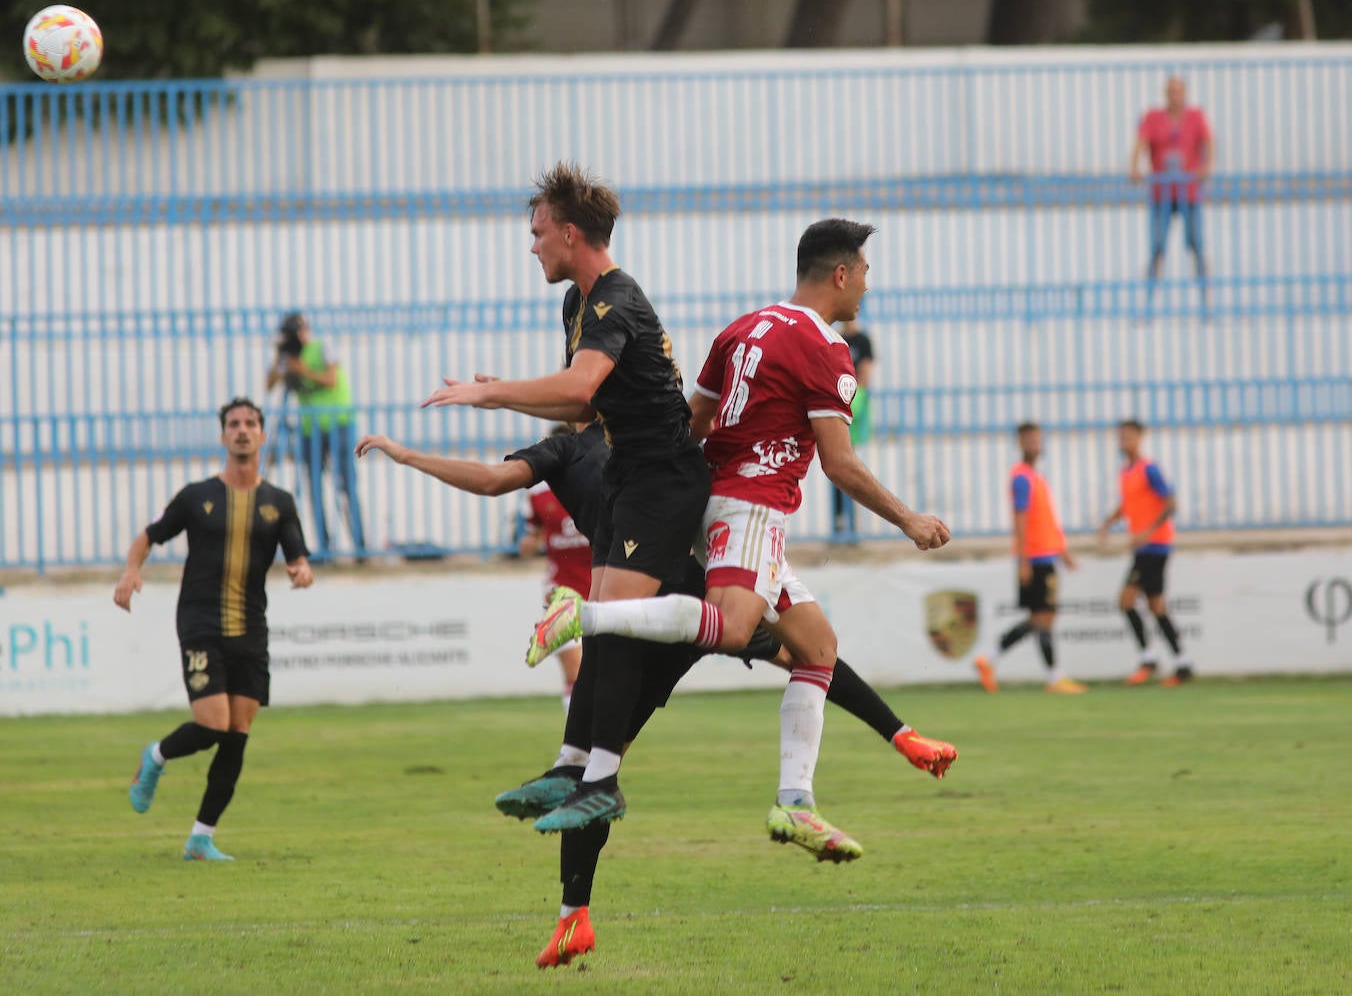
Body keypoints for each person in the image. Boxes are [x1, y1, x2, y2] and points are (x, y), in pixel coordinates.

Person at [356, 421, 956, 968]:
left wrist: (899, 733)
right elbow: (492, 477)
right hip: (644, 621)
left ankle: (575, 909)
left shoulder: (658, 433)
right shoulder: (571, 444)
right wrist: (412, 453)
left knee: (599, 763)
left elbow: (813, 655)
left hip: (686, 607)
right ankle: (574, 917)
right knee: (593, 770)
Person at [528, 218, 951, 862]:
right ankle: (583, 615)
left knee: (817, 645)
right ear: (840, 274)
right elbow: (838, 462)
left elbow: (691, 423)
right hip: (752, 507)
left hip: (715, 496)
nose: (866, 282)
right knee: (729, 629)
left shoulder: (744, 328)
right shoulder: (828, 350)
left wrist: (660, 497)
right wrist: (908, 519)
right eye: (863, 270)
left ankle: (796, 803)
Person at [419, 162, 712, 848]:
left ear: (570, 233)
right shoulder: (577, 304)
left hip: (665, 482)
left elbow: (579, 392)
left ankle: (600, 783)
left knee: (612, 627)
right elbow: (584, 406)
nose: (532, 245)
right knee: (602, 628)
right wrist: (513, 390)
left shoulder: (615, 298)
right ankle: (572, 766)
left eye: (538, 231)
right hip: (630, 482)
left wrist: (493, 394)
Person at [115, 397, 313, 860]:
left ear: (262, 435)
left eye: (250, 423)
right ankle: (156, 756)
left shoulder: (279, 503)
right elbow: (149, 535)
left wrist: (303, 573)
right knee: (213, 723)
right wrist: (130, 571)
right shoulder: (195, 496)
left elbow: (298, 559)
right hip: (201, 623)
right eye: (234, 424)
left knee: (238, 732)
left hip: (250, 628)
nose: (242, 430)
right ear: (223, 436)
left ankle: (201, 837)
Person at [973, 423, 1085, 695]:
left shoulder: (1035, 476)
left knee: (1040, 618)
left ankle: (990, 659)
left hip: (1045, 555)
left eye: (1037, 440)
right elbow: (1021, 520)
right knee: (1043, 618)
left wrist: (1063, 551)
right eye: (1029, 440)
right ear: (1021, 443)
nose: (1034, 445)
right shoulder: (1022, 477)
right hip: (1035, 558)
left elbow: (1045, 519)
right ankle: (1053, 676)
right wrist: (1023, 560)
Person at [1097, 419, 1194, 687]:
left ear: (1140, 438)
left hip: (1155, 546)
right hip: (1145, 548)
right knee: (1155, 605)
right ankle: (1182, 663)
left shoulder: (1149, 469)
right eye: (1121, 437)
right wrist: (1109, 521)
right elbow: (1128, 504)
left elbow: (1170, 503)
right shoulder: (1126, 472)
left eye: (1129, 437)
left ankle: (1148, 659)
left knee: (1126, 600)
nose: (1124, 442)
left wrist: (1148, 531)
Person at [265, 312, 366, 560]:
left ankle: (361, 547)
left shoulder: (323, 347)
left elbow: (331, 379)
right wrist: (281, 360)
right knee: (314, 489)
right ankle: (324, 548)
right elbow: (269, 385)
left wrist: (303, 370)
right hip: (310, 429)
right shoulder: (289, 356)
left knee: (346, 485)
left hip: (338, 423)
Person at [519, 426, 592, 713]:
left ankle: (595, 747)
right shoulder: (538, 494)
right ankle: (577, 748)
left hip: (602, 587)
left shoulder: (596, 481)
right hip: (560, 591)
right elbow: (531, 536)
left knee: (597, 674)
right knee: (575, 671)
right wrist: (528, 543)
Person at [1130, 76, 1213, 299]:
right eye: (1171, 91)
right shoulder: (1153, 118)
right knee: (1157, 247)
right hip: (1162, 193)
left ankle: (1206, 298)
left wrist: (1207, 167)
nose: (1175, 96)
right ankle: (1148, 299)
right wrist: (1134, 167)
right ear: (1165, 94)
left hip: (1189, 192)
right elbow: (1140, 143)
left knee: (1197, 246)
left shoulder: (1195, 117)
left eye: (1178, 91)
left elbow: (1208, 142)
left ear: (1185, 94)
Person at [830, 319, 875, 541]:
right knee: (836, 460)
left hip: (854, 403)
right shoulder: (835, 338)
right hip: (835, 403)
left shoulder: (862, 340)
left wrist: (856, 400)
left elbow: (865, 373)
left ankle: (850, 521)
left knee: (848, 460)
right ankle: (840, 519)